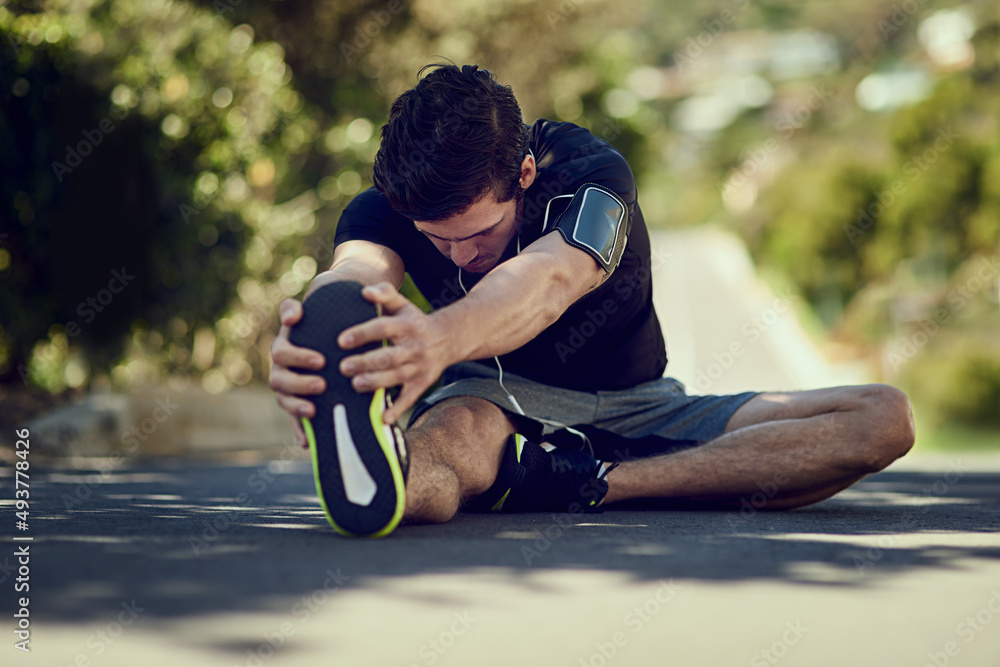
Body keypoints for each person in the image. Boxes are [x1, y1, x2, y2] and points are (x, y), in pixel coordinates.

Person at [268, 64, 915, 538]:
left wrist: (440, 336)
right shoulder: (387, 209)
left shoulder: (592, 177)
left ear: (524, 175)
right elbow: (355, 274)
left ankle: (589, 480)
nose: (461, 257)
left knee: (883, 418)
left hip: (644, 407)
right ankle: (383, 476)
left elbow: (548, 281)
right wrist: (313, 338)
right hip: (494, 401)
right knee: (445, 453)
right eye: (440, 242)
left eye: (480, 235)